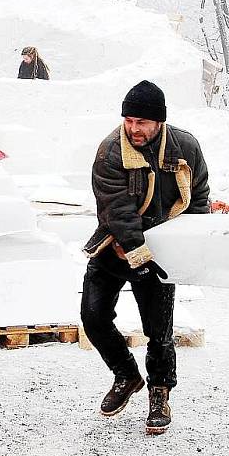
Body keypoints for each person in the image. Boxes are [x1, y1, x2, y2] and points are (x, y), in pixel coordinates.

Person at [81, 80, 210, 435]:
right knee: (92, 316)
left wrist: (191, 245)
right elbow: (117, 210)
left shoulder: (186, 147)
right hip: (116, 242)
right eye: (129, 121)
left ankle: (159, 392)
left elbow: (198, 199)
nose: (134, 129)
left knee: (159, 330)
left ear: (159, 123)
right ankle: (126, 374)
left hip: (162, 246)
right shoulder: (111, 150)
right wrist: (135, 254)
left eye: (142, 122)